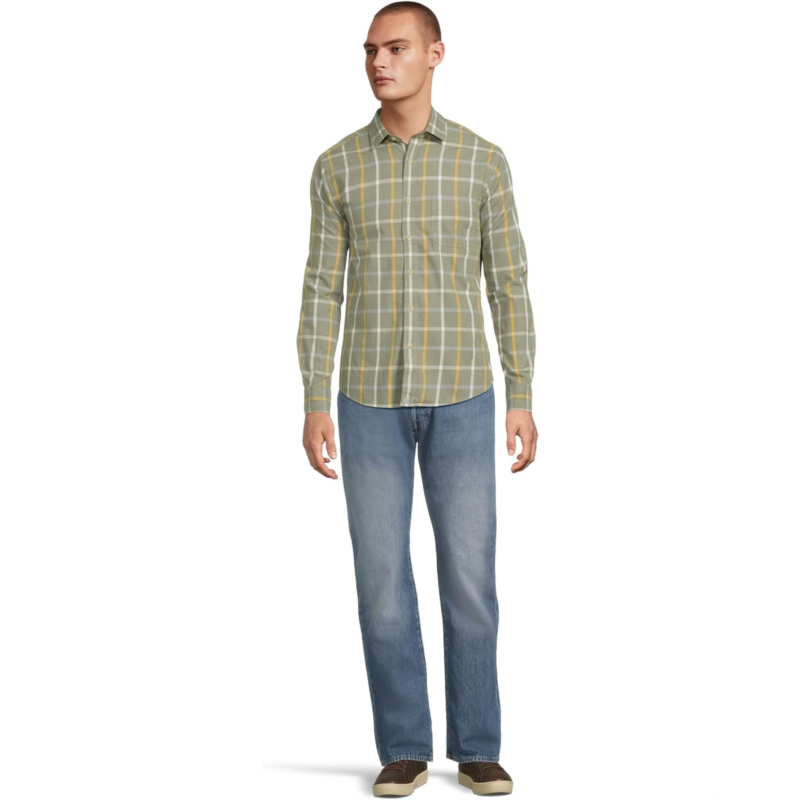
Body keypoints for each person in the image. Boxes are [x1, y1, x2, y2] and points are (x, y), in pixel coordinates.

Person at [296, 2, 537, 795]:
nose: (379, 61)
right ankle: (403, 746)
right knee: (380, 583)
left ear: (435, 53)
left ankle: (477, 746)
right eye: (370, 49)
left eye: (396, 48)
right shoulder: (337, 165)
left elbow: (508, 281)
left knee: (470, 577)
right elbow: (321, 287)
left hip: (464, 397)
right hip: (366, 402)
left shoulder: (481, 161)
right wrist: (314, 397)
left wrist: (522, 391)